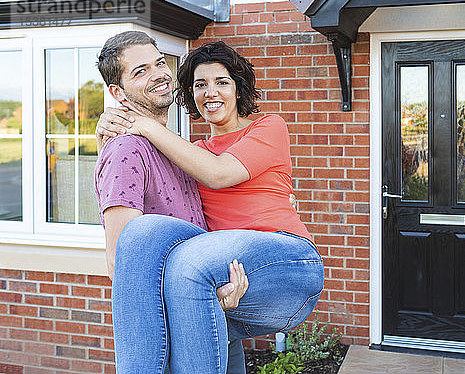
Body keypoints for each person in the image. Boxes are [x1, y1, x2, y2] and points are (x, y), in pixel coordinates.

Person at [96, 35, 324, 374]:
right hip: (226, 275)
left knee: (184, 260)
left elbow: (218, 174)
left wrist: (140, 123)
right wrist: (105, 135)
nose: (211, 92)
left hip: (286, 261)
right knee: (153, 247)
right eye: (200, 84)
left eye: (222, 82)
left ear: (238, 87)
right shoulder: (191, 153)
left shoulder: (268, 126)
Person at [94, 31, 248, 374]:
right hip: (173, 338)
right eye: (140, 71)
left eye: (159, 63)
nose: (159, 74)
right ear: (117, 93)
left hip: (213, 315)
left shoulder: (172, 146)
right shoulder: (126, 150)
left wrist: (218, 286)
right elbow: (123, 263)